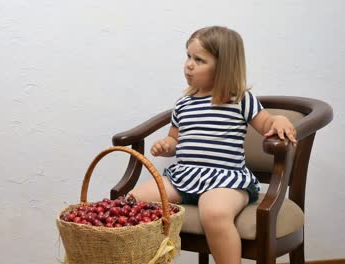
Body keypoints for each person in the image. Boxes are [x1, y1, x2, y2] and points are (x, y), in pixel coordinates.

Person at [127, 26, 297, 264]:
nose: (189, 64)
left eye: (199, 59)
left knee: (214, 213)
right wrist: (168, 145)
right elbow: (176, 139)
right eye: (188, 56)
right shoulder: (183, 104)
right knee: (133, 200)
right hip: (184, 177)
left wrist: (279, 119)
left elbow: (266, 121)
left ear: (223, 67)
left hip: (226, 179)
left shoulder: (239, 99)